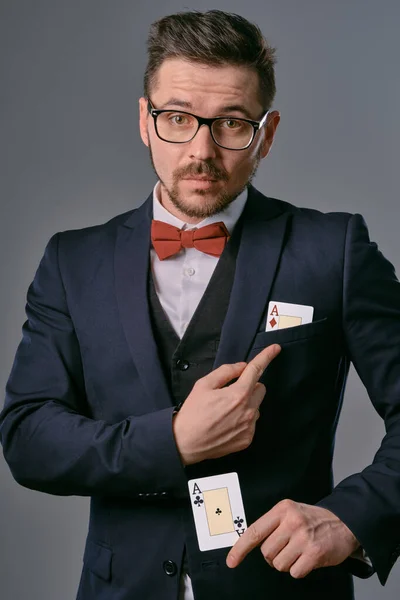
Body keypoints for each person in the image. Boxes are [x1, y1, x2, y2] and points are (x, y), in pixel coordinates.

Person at [1, 9, 400, 600]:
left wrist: (352, 517)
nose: (202, 150)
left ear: (267, 131)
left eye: (232, 123)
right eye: (178, 118)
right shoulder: (71, 261)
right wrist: (174, 441)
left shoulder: (333, 251)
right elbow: (28, 436)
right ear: (145, 119)